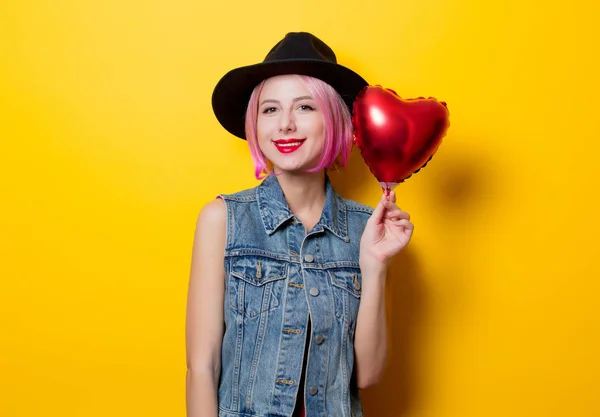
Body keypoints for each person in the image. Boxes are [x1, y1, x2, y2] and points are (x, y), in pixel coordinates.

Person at [186, 32, 414, 417]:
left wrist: (375, 267)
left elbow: (368, 376)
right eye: (270, 110)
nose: (285, 125)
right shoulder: (223, 219)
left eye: (305, 107)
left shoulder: (365, 229)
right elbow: (201, 369)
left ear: (335, 119)